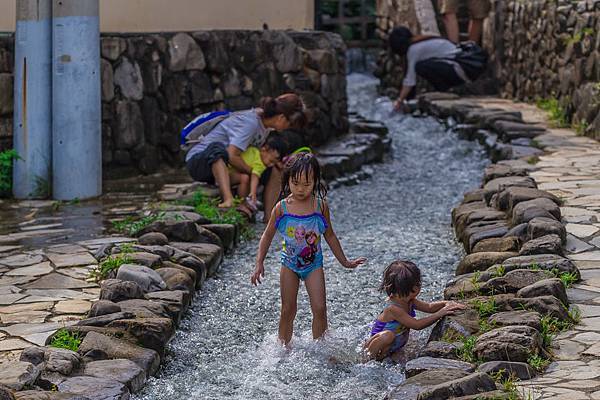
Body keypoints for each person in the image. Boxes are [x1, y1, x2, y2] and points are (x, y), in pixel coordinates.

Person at [251, 153, 366, 345]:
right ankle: (282, 347)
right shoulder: (282, 208)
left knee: (320, 308)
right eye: (295, 183)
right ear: (288, 180)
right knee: (288, 309)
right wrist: (259, 263)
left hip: (313, 265)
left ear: (315, 181)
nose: (301, 189)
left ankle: (320, 347)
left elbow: (329, 235)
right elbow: (267, 235)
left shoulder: (319, 206)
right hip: (289, 264)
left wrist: (345, 261)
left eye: (307, 184)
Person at [185, 94, 307, 208]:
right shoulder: (250, 123)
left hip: (225, 169)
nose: (288, 128)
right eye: (290, 124)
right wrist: (255, 172)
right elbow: (231, 155)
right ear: (281, 118)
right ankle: (228, 199)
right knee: (218, 149)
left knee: (275, 170)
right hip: (200, 162)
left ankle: (269, 218)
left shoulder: (265, 127)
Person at [365, 260, 465, 360]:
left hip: (395, 347)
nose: (419, 286)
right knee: (388, 335)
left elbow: (429, 307)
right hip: (378, 348)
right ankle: (369, 360)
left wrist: (445, 303)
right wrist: (440, 313)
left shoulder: (409, 300)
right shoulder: (393, 309)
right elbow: (417, 325)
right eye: (417, 284)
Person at [388, 26, 470, 112]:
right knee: (423, 65)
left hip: (461, 68)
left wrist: (399, 101)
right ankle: (444, 89)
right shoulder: (419, 41)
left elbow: (410, 80)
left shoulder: (413, 50)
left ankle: (444, 89)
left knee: (421, 67)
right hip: (460, 66)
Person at [229, 135, 286, 211]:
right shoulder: (260, 163)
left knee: (245, 178)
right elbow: (255, 176)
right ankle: (244, 202)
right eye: (271, 161)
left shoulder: (254, 150)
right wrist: (253, 192)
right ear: (264, 149)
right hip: (229, 174)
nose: (270, 165)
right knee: (245, 178)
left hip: (229, 171)